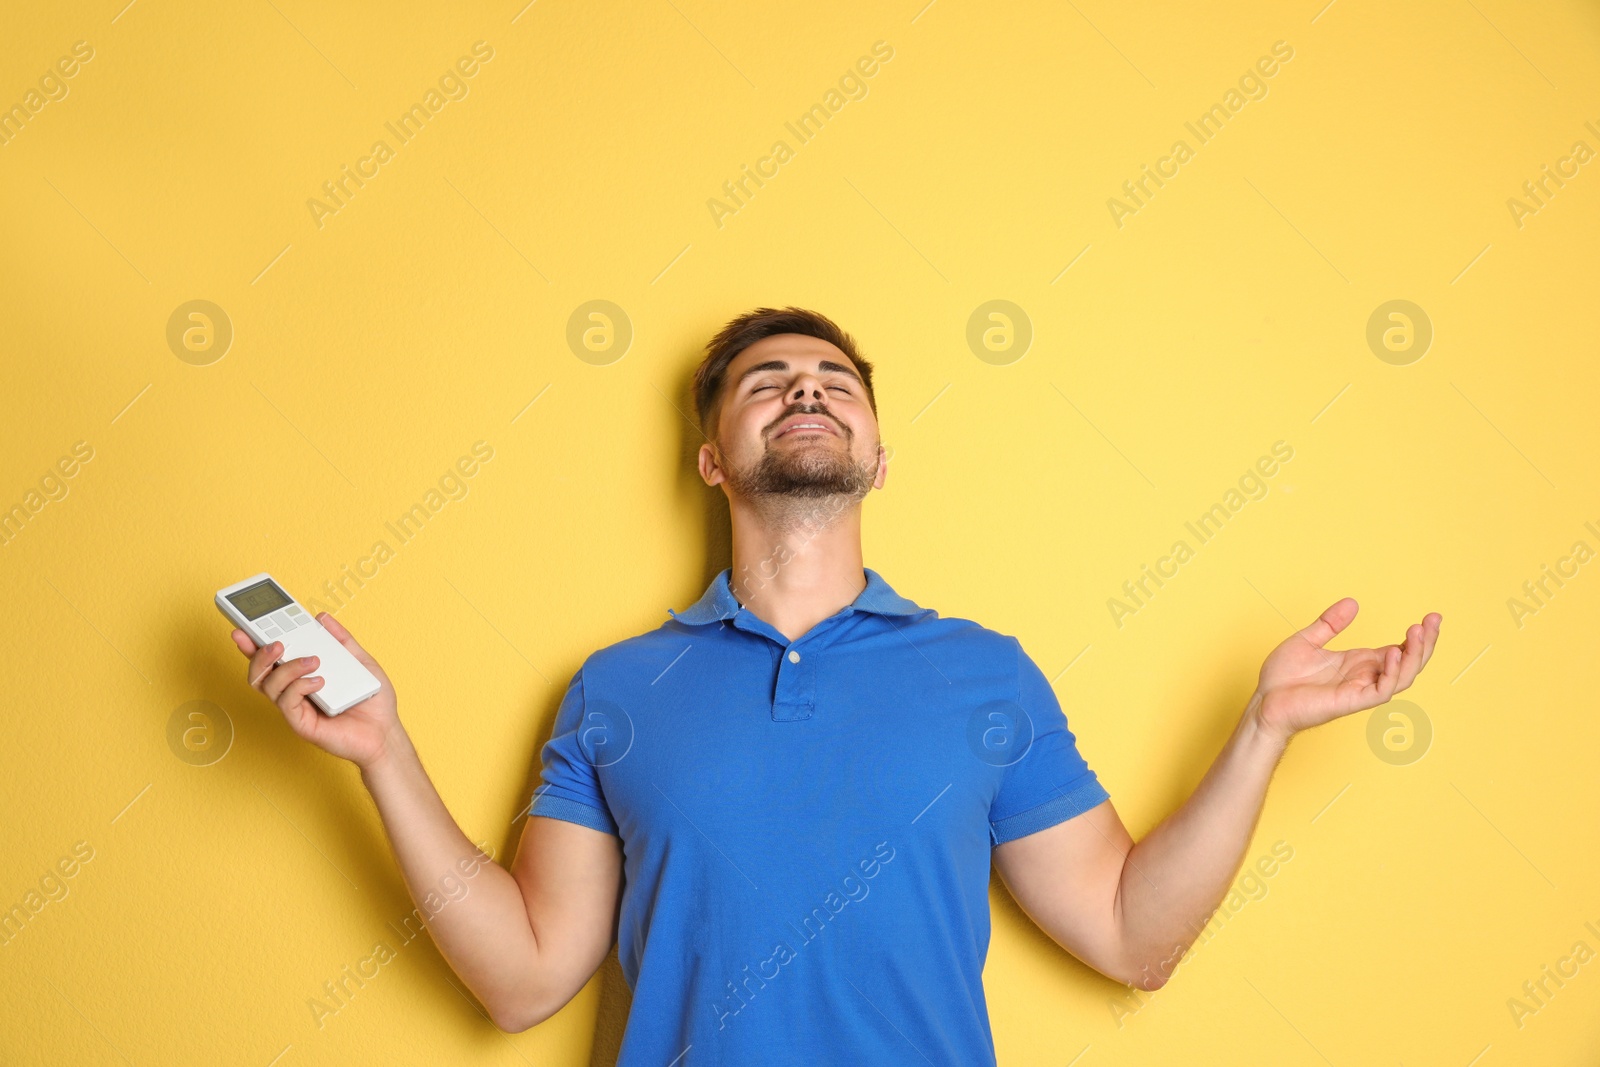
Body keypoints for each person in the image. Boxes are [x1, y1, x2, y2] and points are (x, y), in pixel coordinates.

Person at [229, 306, 1441, 1065]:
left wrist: (1262, 734)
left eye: (833, 379)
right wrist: (384, 749)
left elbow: (1133, 937)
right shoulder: (615, 685)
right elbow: (523, 980)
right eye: (766, 380)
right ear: (712, 457)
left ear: (872, 454)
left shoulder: (984, 671)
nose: (805, 387)